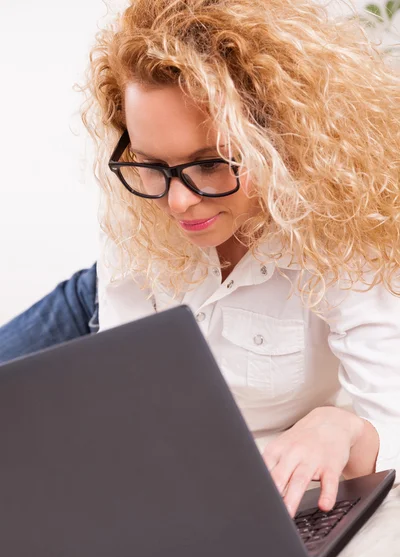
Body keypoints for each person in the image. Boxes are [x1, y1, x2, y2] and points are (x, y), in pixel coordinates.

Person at [5, 0, 400, 519]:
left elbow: (390, 417)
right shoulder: (142, 198)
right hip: (94, 307)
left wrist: (346, 430)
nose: (178, 203)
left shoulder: (347, 233)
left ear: (283, 142)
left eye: (210, 163)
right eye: (152, 165)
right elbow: (133, 407)